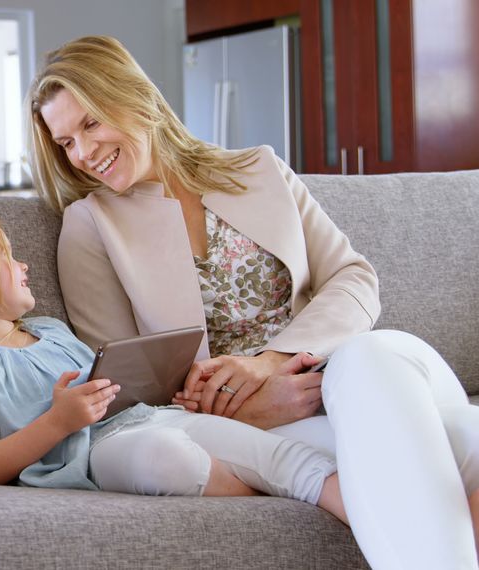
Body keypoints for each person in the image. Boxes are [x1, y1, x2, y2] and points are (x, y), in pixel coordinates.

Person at [26, 34, 479, 569]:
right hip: (277, 419)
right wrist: (254, 415)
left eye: (90, 124)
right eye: (65, 142)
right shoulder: (92, 225)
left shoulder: (260, 170)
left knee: (371, 355)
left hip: (355, 374)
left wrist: (270, 363)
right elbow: (123, 387)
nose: (82, 153)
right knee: (458, 439)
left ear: (134, 98)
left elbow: (354, 278)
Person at [0, 210, 348, 521]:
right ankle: (263, 499)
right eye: (7, 257)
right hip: (92, 458)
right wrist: (57, 422)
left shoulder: (49, 329)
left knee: (281, 454)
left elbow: (114, 390)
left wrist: (164, 380)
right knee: (166, 457)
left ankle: (367, 519)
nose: (23, 263)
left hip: (150, 418)